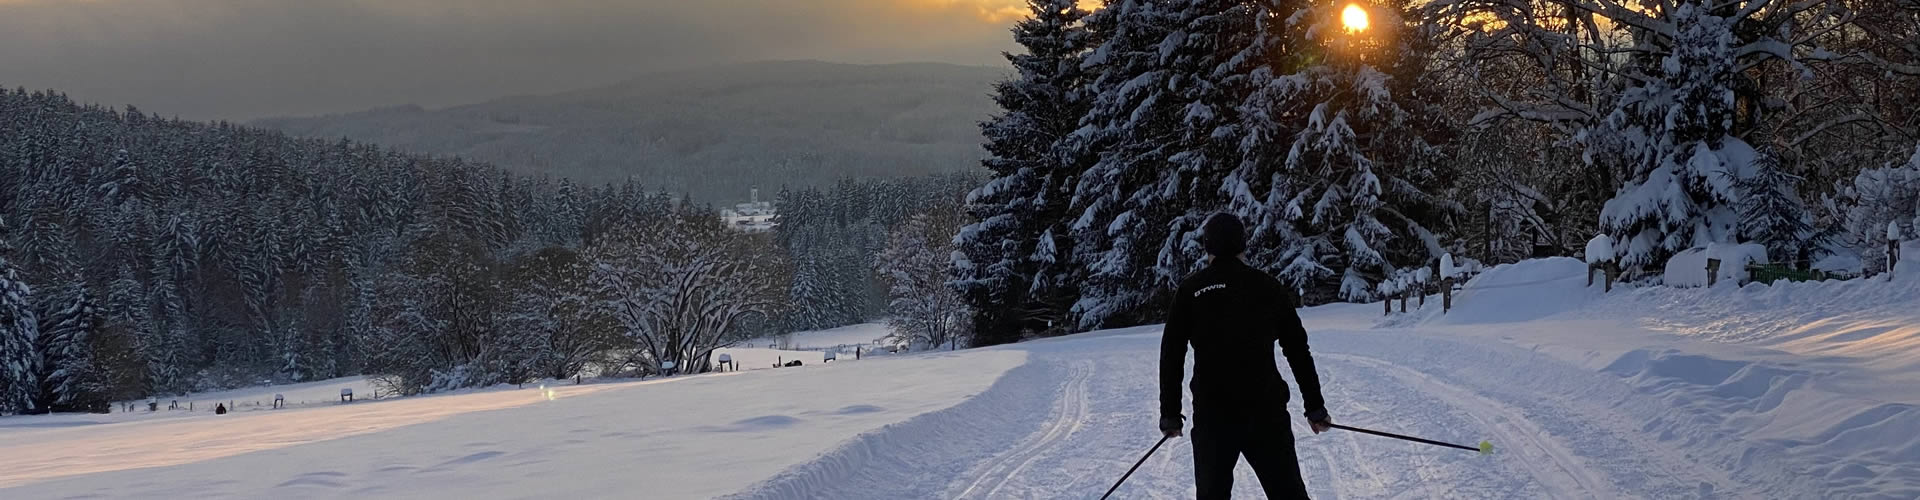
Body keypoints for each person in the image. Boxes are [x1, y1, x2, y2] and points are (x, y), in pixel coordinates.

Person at [1160, 213, 1331, 499]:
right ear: (1244, 246)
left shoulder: (1191, 291)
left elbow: (1171, 354)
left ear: (1207, 248)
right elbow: (1298, 350)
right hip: (1265, 414)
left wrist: (1170, 413)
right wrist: (1315, 407)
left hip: (1213, 418)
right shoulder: (1267, 286)